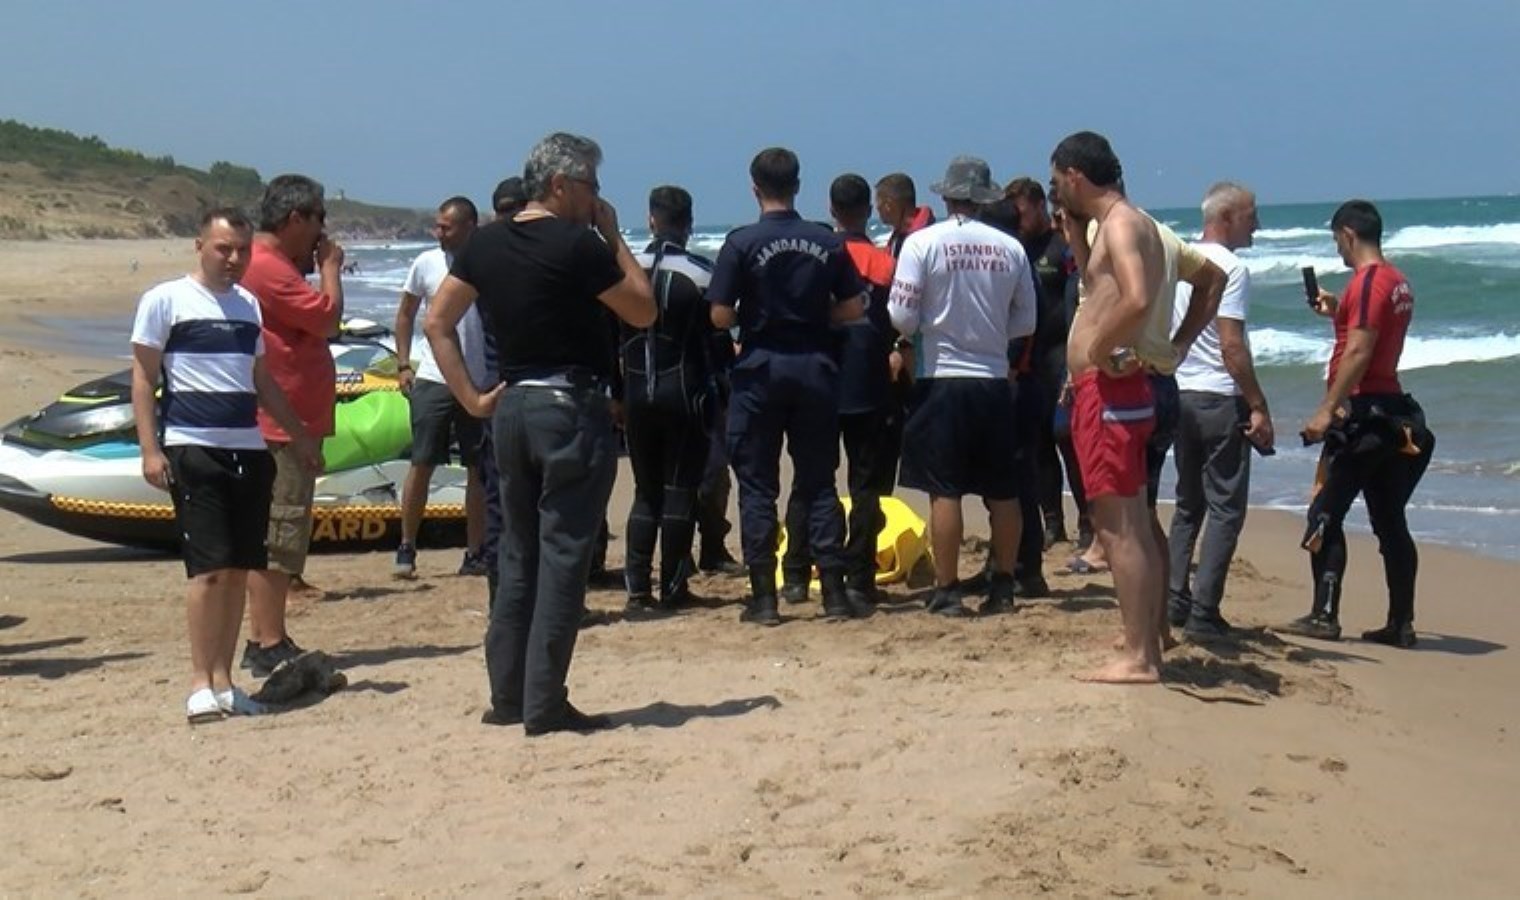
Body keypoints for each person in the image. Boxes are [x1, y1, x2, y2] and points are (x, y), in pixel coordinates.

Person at [425, 132, 655, 735]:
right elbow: (643, 308)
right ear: (560, 184)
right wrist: (614, 235)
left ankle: (508, 695)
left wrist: (472, 397)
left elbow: (436, 321)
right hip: (568, 405)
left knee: (517, 553)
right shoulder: (578, 244)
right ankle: (545, 701)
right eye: (591, 187)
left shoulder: (486, 243)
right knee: (563, 556)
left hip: (513, 405)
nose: (596, 198)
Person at [130, 209, 321, 722]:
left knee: (238, 571)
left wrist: (299, 436)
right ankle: (199, 682)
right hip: (194, 447)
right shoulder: (165, 300)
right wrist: (150, 449)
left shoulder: (248, 305)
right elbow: (144, 379)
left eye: (242, 249)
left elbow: (261, 380)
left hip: (249, 450)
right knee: (208, 572)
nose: (234, 258)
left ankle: (224, 682)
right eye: (223, 248)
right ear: (200, 246)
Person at [707, 146, 869, 626]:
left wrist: (755, 315)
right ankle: (834, 592)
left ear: (754, 188)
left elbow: (719, 315)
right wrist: (816, 315)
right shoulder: (826, 242)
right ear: (797, 186)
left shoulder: (741, 243)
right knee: (818, 481)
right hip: (814, 365)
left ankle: (764, 598)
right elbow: (854, 306)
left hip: (761, 367)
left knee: (757, 484)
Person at [1278, 200, 1434, 648]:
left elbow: (1360, 352)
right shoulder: (1396, 281)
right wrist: (1339, 310)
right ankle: (1401, 623)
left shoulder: (1366, 283)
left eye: (1337, 241)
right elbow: (1372, 332)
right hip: (1393, 414)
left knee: (1323, 513)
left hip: (1363, 414)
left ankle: (1324, 615)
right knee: (1389, 520)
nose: (1338, 250)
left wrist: (1328, 408)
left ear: (1348, 235)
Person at [888, 156, 1037, 617]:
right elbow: (1026, 320)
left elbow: (901, 314)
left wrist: (927, 329)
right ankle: (1004, 585)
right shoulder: (1010, 247)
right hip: (991, 376)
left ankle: (948, 588)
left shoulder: (922, 243)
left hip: (942, 376)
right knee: (1003, 489)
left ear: (947, 195)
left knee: (945, 489)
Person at [1048, 131, 1171, 683]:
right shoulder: (1126, 223)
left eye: (1058, 182)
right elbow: (1101, 290)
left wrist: (1098, 348)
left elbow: (1137, 297)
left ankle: (1140, 657)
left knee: (1119, 529)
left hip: (1109, 391)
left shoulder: (1120, 224)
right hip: (1114, 391)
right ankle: (1145, 642)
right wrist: (1076, 238)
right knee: (1132, 523)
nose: (1057, 191)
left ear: (1075, 176)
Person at [780, 173, 903, 608]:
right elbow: (897, 322)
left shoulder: (817, 256)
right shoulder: (884, 263)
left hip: (821, 378)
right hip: (868, 381)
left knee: (811, 479)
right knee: (866, 484)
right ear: (868, 211)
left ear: (831, 209)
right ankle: (859, 577)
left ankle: (797, 573)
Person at [239, 174, 344, 678]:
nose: (323, 230)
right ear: (295, 218)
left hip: (287, 419)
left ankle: (267, 634)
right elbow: (327, 318)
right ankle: (268, 639)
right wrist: (329, 269)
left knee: (280, 529)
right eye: (319, 219)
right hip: (282, 424)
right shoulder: (268, 267)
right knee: (279, 531)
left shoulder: (270, 265)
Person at [1167, 183, 1274, 639]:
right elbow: (1231, 345)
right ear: (1226, 217)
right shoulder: (1231, 268)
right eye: (1251, 215)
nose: (1257, 224)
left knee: (1188, 503)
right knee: (1226, 508)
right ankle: (1204, 610)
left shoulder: (1181, 261)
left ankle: (1174, 597)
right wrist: (1258, 404)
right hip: (1217, 397)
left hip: (1180, 393)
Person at [621, 186, 721, 611]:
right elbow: (718, 334)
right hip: (684, 392)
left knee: (645, 491)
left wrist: (613, 391)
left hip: (634, 391)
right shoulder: (701, 272)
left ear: (651, 220)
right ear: (689, 223)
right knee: (680, 488)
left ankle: (637, 590)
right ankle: (674, 588)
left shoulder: (624, 270)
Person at [391, 197, 489, 578]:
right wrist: (403, 364)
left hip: (479, 378)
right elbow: (405, 314)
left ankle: (475, 551)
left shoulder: (488, 261)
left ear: (469, 227)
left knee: (478, 468)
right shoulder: (427, 263)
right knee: (422, 461)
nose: (438, 233)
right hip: (434, 377)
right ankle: (406, 545)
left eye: (446, 227)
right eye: (438, 226)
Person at [1005, 177, 1089, 551]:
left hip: (1061, 354)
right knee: (1038, 445)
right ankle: (1052, 523)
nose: (1018, 219)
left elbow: (1081, 298)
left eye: (1022, 211)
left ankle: (1088, 521)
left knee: (1068, 439)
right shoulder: (1016, 250)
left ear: (1040, 206)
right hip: (1031, 359)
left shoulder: (1062, 247)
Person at [875, 173, 936, 258]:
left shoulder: (922, 240)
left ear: (888, 204)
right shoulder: (900, 235)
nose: (877, 207)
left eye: (878, 202)